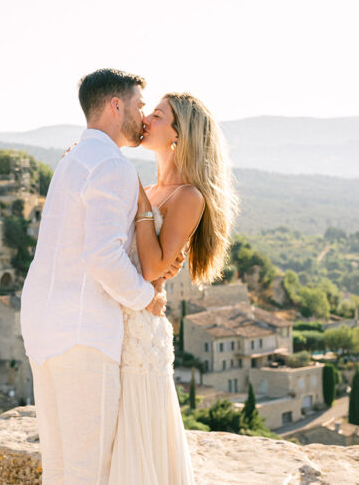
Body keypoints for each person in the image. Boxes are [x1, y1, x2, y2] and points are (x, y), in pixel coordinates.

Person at [21, 69, 169, 484]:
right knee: (91, 467)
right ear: (115, 105)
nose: (143, 116)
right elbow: (101, 255)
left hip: (42, 324)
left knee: (60, 463)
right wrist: (145, 297)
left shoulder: (71, 159)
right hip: (83, 330)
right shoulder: (111, 164)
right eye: (140, 105)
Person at [109, 92, 238, 484]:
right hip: (117, 320)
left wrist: (140, 203)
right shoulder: (149, 187)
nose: (146, 117)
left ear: (178, 135)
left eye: (159, 115)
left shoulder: (188, 196)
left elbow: (151, 267)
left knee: (140, 440)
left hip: (141, 333)